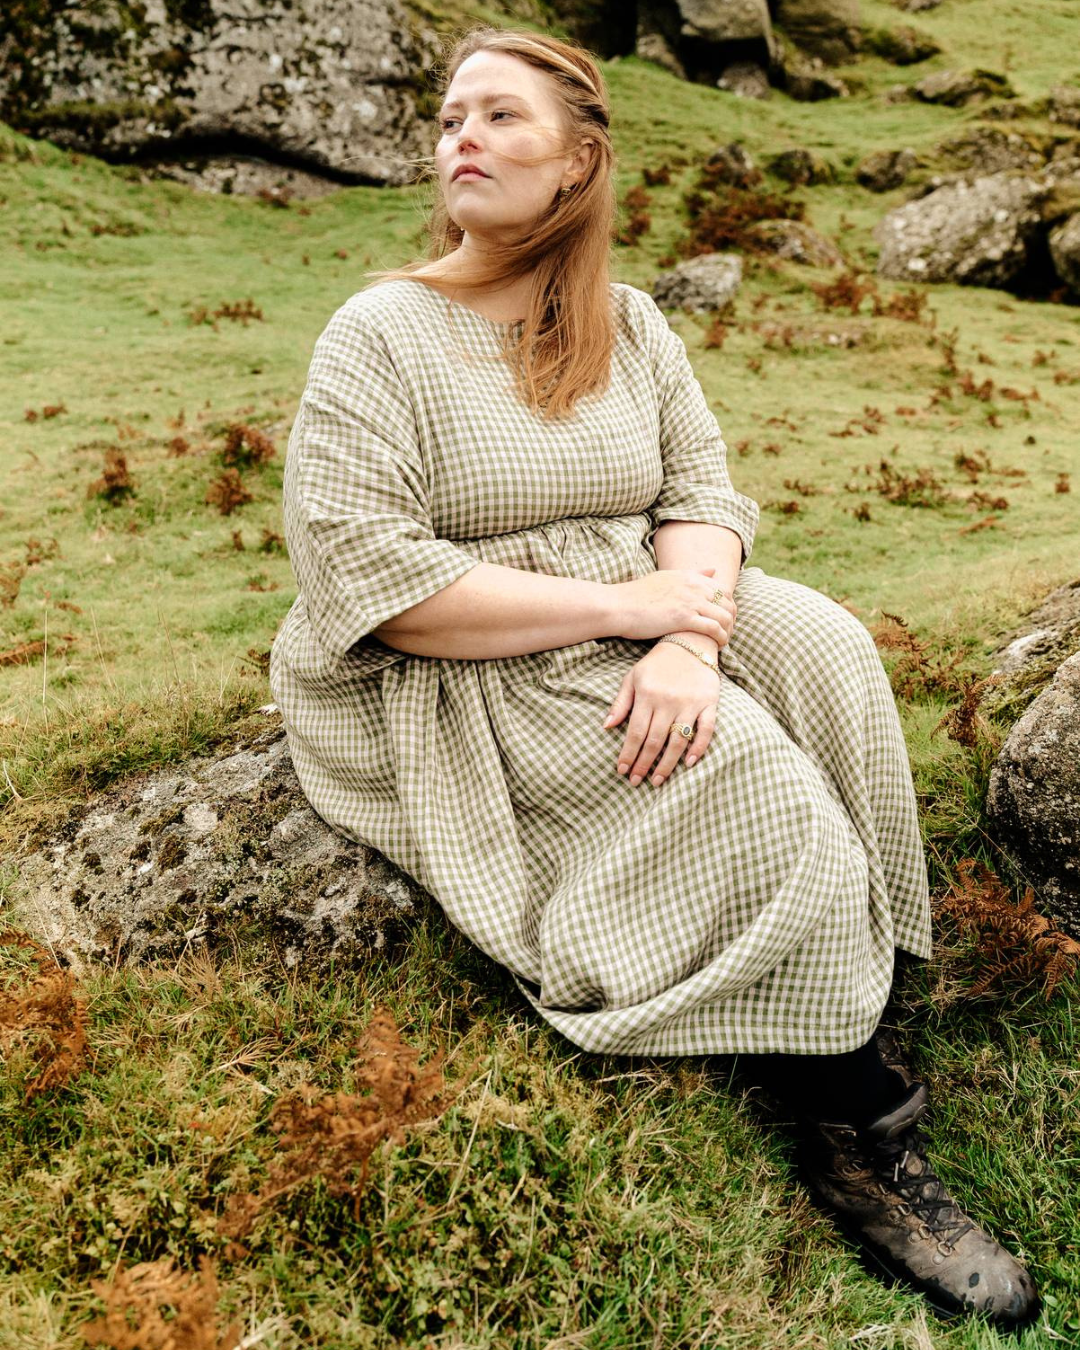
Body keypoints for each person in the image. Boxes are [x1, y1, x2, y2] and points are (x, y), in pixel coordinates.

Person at [269, 23, 1039, 1329]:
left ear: (578, 163)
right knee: (741, 772)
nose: (461, 135)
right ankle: (857, 1123)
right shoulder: (380, 333)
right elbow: (377, 579)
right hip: (468, 647)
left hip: (638, 596)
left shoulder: (625, 322)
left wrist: (687, 636)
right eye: (451, 116)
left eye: (500, 117)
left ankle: (852, 988)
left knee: (834, 653)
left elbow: (700, 494)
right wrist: (631, 610)